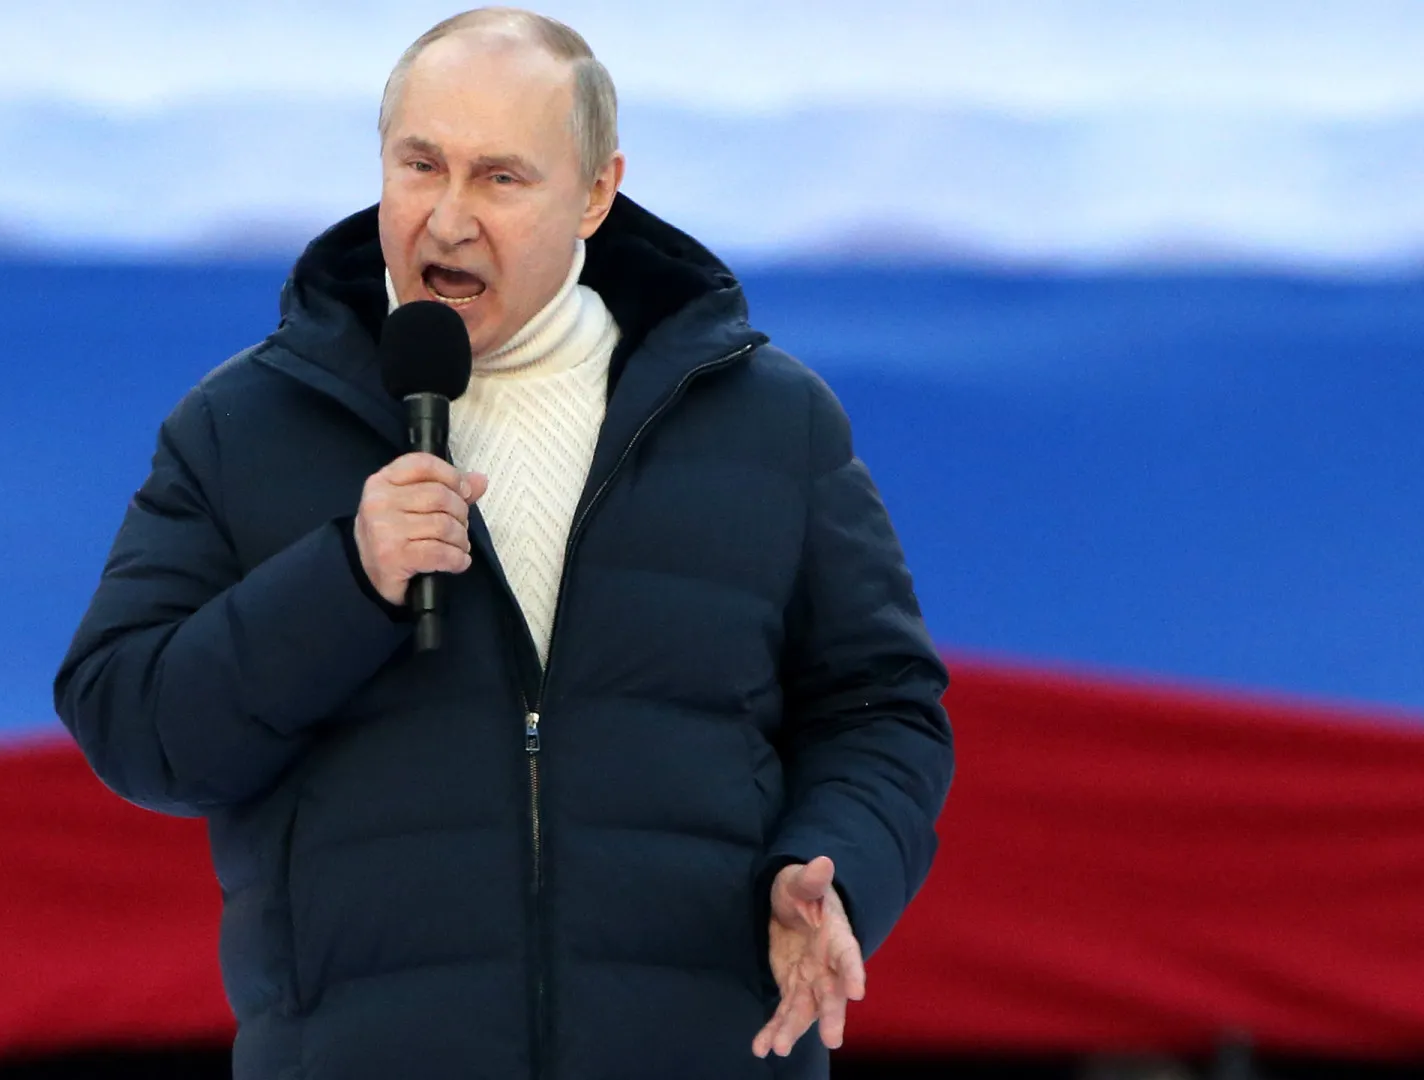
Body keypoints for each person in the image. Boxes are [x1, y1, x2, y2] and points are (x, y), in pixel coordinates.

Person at [55, 8, 953, 1078]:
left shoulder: (766, 420)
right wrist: (345, 581)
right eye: (420, 166)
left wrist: (836, 870)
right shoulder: (244, 426)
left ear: (596, 193)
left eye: (500, 178)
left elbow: (880, 709)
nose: (448, 219)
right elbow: (132, 723)